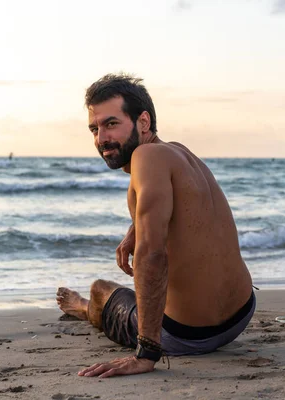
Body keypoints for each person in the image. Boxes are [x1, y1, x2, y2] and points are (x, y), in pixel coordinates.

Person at [56, 73, 255, 378]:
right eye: (94, 129)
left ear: (143, 122)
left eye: (111, 124)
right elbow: (183, 210)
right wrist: (133, 231)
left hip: (188, 335)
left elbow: (152, 253)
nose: (101, 139)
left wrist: (146, 352)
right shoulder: (178, 152)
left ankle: (84, 308)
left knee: (100, 290)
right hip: (241, 316)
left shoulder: (145, 157)